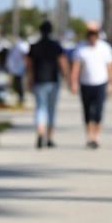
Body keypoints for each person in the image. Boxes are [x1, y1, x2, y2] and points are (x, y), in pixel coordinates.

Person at [69, 22, 112, 149]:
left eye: (94, 33)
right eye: (90, 33)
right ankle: (89, 136)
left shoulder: (105, 48)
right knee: (87, 111)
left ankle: (96, 136)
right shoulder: (81, 48)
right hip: (85, 83)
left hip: (101, 83)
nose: (92, 36)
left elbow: (110, 67)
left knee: (98, 111)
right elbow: (76, 67)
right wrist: (73, 82)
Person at [26, 21, 68, 149]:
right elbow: (62, 62)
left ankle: (40, 133)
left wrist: (29, 80)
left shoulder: (34, 46)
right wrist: (66, 77)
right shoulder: (55, 45)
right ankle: (49, 137)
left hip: (38, 81)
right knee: (51, 110)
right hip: (53, 81)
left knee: (40, 108)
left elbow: (29, 66)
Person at [6, 37, 29, 105]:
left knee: (19, 83)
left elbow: (24, 55)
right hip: (17, 68)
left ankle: (21, 97)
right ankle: (20, 96)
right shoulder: (16, 47)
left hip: (20, 68)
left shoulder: (20, 46)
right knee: (17, 83)